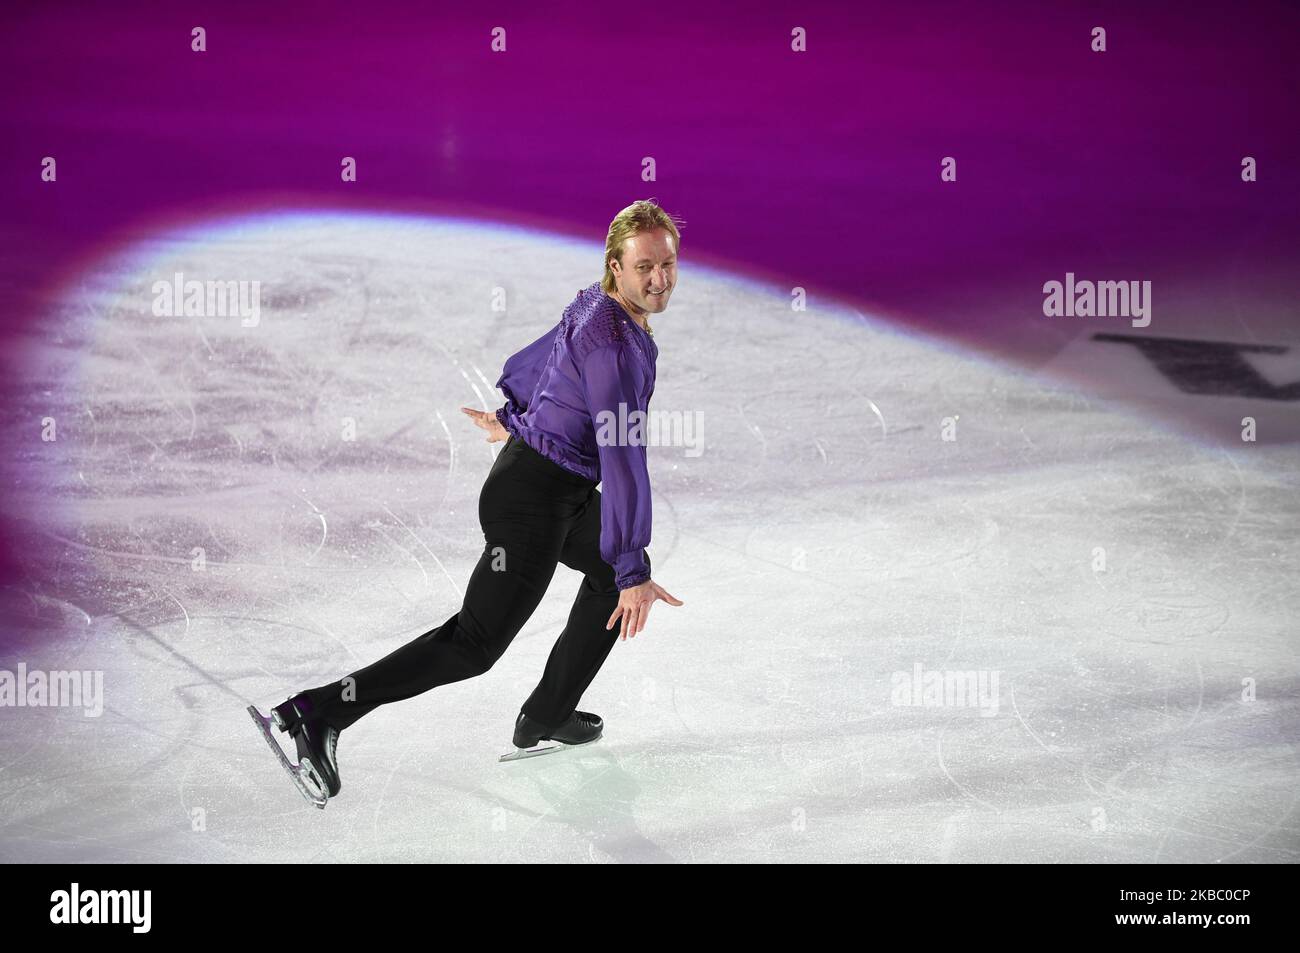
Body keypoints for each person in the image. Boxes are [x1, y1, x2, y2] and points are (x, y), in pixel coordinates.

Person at [248, 199, 685, 807]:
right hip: (532, 502)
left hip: (547, 484)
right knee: (473, 644)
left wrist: (517, 417)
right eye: (646, 267)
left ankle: (547, 713)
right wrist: (636, 564)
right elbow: (622, 451)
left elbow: (549, 357)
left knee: (607, 577)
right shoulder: (615, 342)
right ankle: (317, 711)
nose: (660, 280)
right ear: (616, 266)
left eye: (667, 264)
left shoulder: (599, 306)